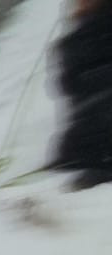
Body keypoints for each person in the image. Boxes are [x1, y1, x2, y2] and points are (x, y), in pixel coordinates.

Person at [49, 0, 112, 189]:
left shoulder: (72, 43)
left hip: (90, 144)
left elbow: (68, 85)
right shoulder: (72, 43)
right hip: (91, 140)